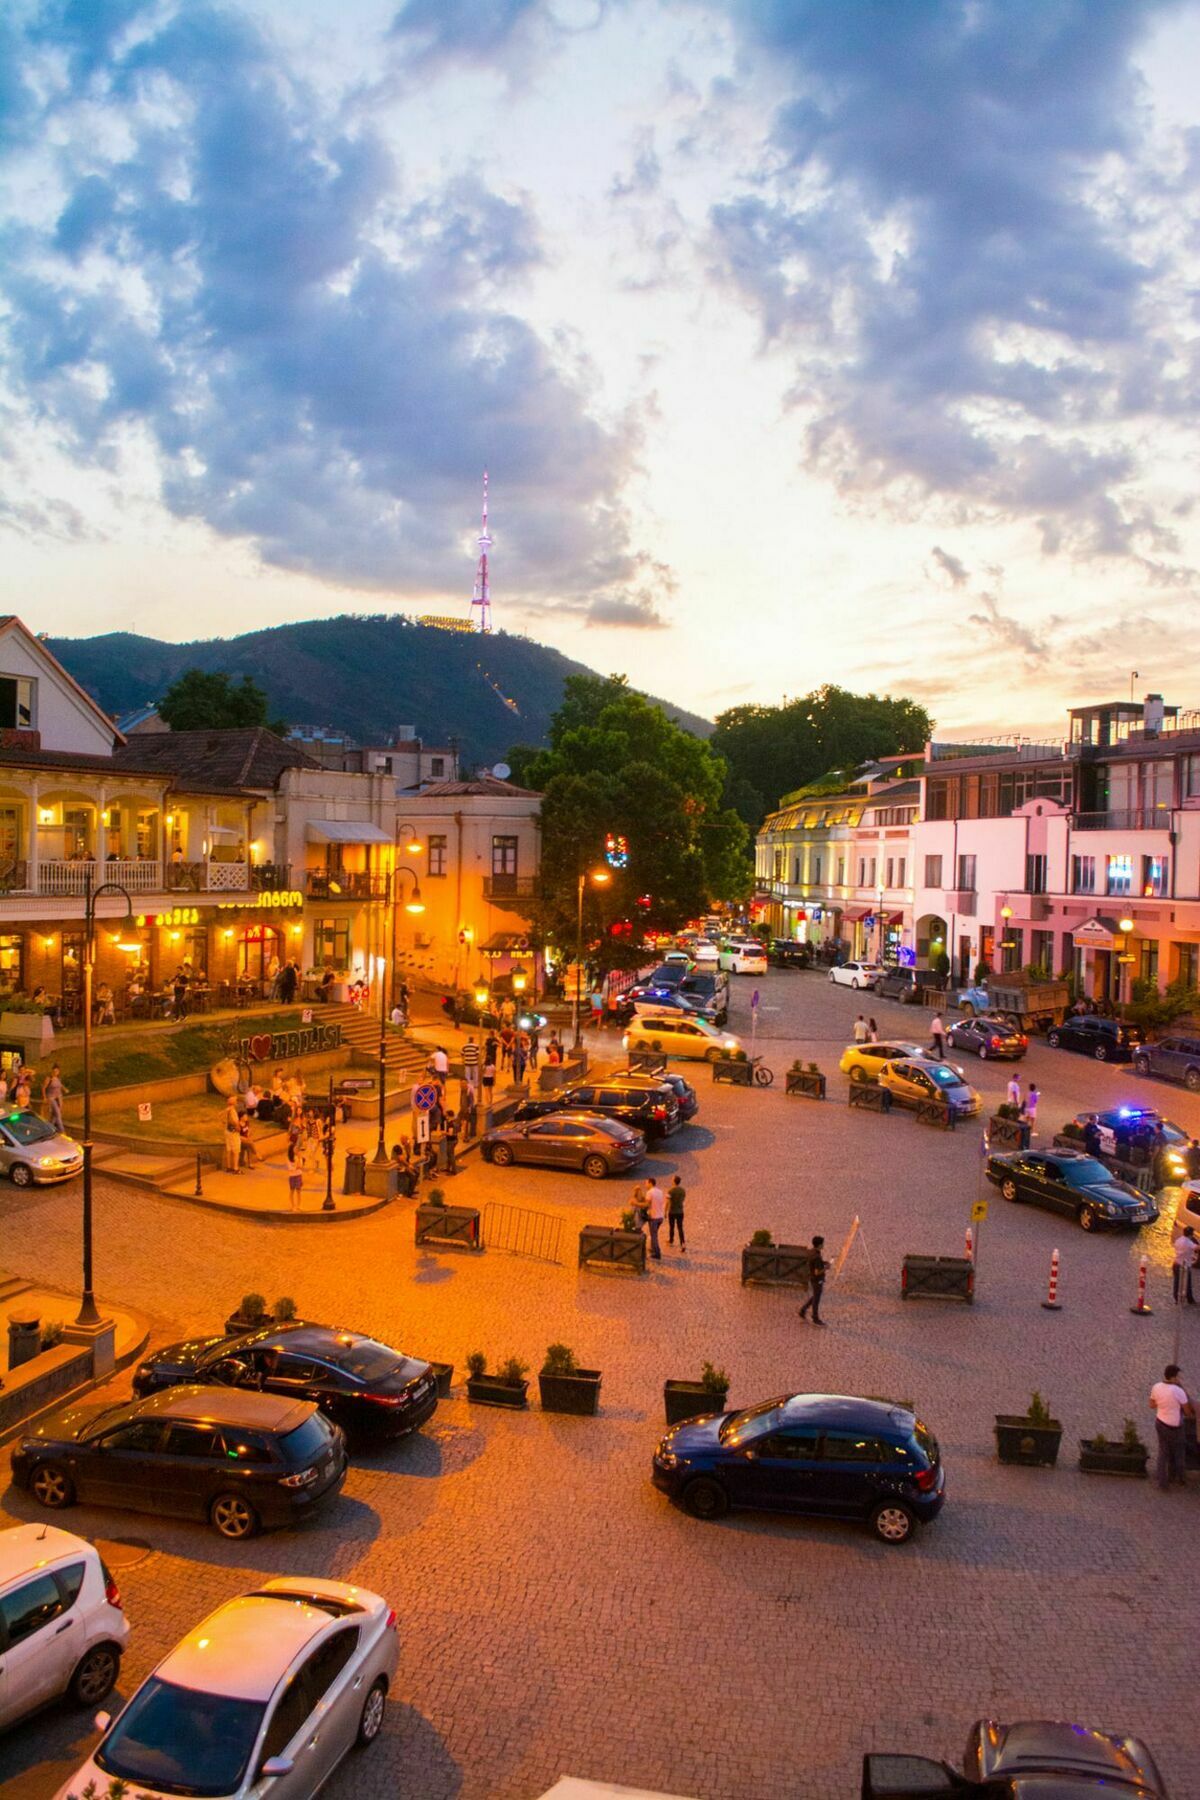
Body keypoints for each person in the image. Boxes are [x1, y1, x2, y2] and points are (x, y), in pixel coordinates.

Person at [1149, 1363, 1192, 1491]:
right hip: (1175, 1427)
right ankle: (1180, 1478)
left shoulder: (1156, 1387)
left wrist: (1163, 1403)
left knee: (1163, 1453)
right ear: (1173, 1377)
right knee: (1179, 1452)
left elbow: (1151, 1405)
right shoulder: (1179, 1391)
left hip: (1160, 1423)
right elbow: (1188, 1412)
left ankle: (1162, 1483)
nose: (1179, 1379)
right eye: (1178, 1376)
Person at [798, 1235, 828, 1325]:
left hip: (812, 1278)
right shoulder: (817, 1256)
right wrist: (826, 1267)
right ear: (819, 1245)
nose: (824, 1245)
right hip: (817, 1279)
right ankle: (815, 1317)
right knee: (816, 1299)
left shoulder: (812, 1252)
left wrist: (824, 1263)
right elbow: (817, 1272)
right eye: (823, 1243)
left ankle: (803, 1310)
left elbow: (815, 1264)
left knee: (815, 1295)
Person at [1172, 1226, 1197, 1305]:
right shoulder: (1189, 1243)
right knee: (1187, 1282)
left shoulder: (1178, 1240)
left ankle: (1176, 1298)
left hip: (1176, 1263)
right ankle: (1190, 1299)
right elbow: (1197, 1248)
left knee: (1176, 1282)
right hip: (1184, 1266)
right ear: (1191, 1234)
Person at [645, 1178, 666, 1259]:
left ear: (650, 1183)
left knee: (654, 1236)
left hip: (653, 1217)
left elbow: (647, 1204)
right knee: (654, 1234)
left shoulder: (649, 1193)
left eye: (646, 1183)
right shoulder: (660, 1191)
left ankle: (657, 1253)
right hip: (660, 1216)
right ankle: (652, 1248)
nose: (645, 1185)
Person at [41, 1064, 67, 1132]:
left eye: (57, 1071)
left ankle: (49, 1129)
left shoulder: (58, 1078)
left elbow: (60, 1085)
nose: (56, 1072)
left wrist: (65, 1089)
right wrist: (44, 1097)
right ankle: (62, 1131)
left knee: (54, 1115)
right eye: (54, 1071)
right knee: (58, 1114)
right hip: (51, 1098)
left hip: (59, 1098)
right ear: (52, 1071)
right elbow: (43, 1087)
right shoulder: (49, 1078)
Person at [667, 1173, 687, 1251]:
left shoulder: (670, 1191)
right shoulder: (683, 1190)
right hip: (680, 1211)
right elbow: (683, 1199)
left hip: (672, 1211)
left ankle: (671, 1240)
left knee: (671, 1227)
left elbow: (667, 1202)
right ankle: (683, 1243)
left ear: (674, 1181)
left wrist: (665, 1211)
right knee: (680, 1228)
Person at [224, 1101, 242, 1174]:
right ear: (234, 1104)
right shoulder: (232, 1111)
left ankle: (228, 1167)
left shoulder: (226, 1110)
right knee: (236, 1150)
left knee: (229, 1149)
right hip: (233, 1133)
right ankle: (235, 1168)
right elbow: (234, 1122)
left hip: (227, 1132)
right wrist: (238, 1127)